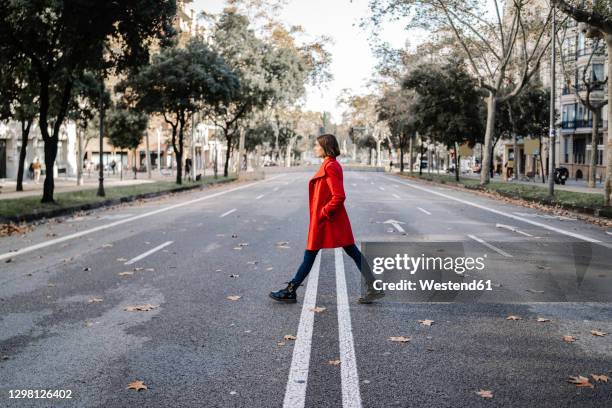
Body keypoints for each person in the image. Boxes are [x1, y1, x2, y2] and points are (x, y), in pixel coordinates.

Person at [269, 134, 384, 304]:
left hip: (328, 220)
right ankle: (374, 287)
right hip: (330, 220)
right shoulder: (329, 164)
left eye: (317, 145)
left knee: (311, 253)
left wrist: (323, 213)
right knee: (351, 252)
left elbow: (339, 196)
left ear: (325, 147)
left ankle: (291, 290)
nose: (315, 148)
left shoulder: (330, 166)